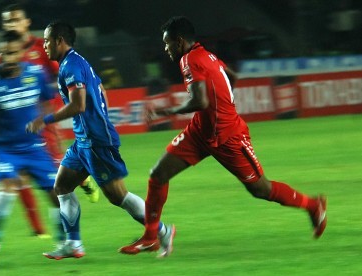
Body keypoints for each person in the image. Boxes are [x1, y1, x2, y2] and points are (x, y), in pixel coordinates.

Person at [119, 16, 327, 257]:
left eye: (167, 44)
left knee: (261, 189)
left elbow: (200, 101)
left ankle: (313, 205)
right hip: (200, 132)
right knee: (158, 175)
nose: (165, 49)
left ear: (179, 41)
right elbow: (232, 77)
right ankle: (150, 237)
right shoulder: (204, 53)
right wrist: (220, 106)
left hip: (228, 137)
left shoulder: (189, 60)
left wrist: (166, 111)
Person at [26, 21, 174, 259]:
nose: (43, 46)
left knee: (118, 197)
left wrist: (45, 120)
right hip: (84, 140)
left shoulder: (71, 66)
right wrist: (98, 116)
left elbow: (79, 104)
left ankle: (164, 231)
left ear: (59, 41)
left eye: (46, 40)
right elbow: (101, 89)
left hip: (95, 142)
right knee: (62, 186)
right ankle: (73, 244)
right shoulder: (75, 62)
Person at [0, 4, 100, 238]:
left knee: (55, 170)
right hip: (16, 122)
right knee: (19, 174)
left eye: (15, 20)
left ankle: (83, 179)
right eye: (7, 22)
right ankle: (37, 229)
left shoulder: (42, 48)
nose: (11, 25)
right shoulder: (1, 53)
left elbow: (63, 74)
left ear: (26, 23)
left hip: (42, 119)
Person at [0, 30, 68, 250]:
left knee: (57, 195)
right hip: (4, 150)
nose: (7, 58)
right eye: (3, 54)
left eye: (12, 53)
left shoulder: (36, 74)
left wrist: (43, 125)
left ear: (22, 53)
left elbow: (47, 103)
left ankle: (63, 243)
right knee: (6, 189)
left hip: (35, 148)